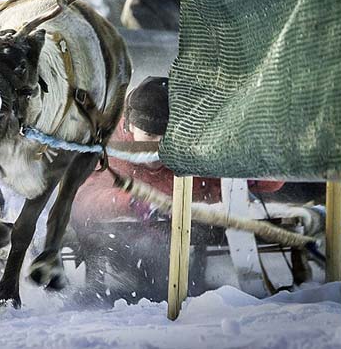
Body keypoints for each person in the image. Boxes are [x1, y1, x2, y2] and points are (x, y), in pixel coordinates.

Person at [71, 77, 284, 302]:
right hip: (126, 238)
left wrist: (247, 174)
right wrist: (133, 201)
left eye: (168, 139)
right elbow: (84, 200)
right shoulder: (110, 143)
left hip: (187, 230)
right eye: (150, 136)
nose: (158, 147)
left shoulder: (197, 142)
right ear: (130, 125)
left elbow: (273, 178)